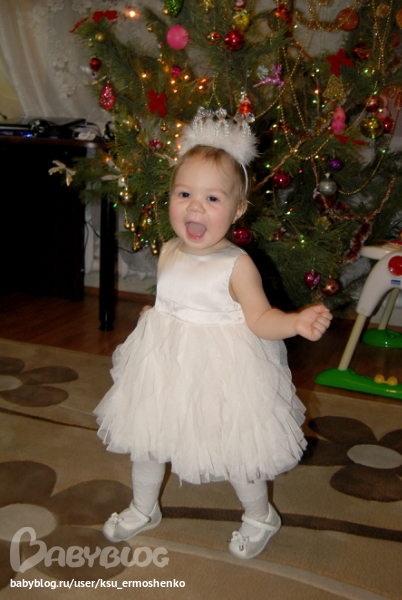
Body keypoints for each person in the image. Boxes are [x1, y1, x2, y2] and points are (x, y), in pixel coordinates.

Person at [94, 108, 332, 560]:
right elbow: (172, 299)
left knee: (237, 447)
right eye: (184, 193)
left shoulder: (237, 265)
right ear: (170, 197)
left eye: (212, 198)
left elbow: (260, 320)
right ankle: (144, 507)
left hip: (223, 373)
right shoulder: (168, 250)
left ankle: (260, 515)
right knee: (148, 437)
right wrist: (156, 313)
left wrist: (295, 322)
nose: (195, 207)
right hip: (165, 364)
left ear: (238, 209)